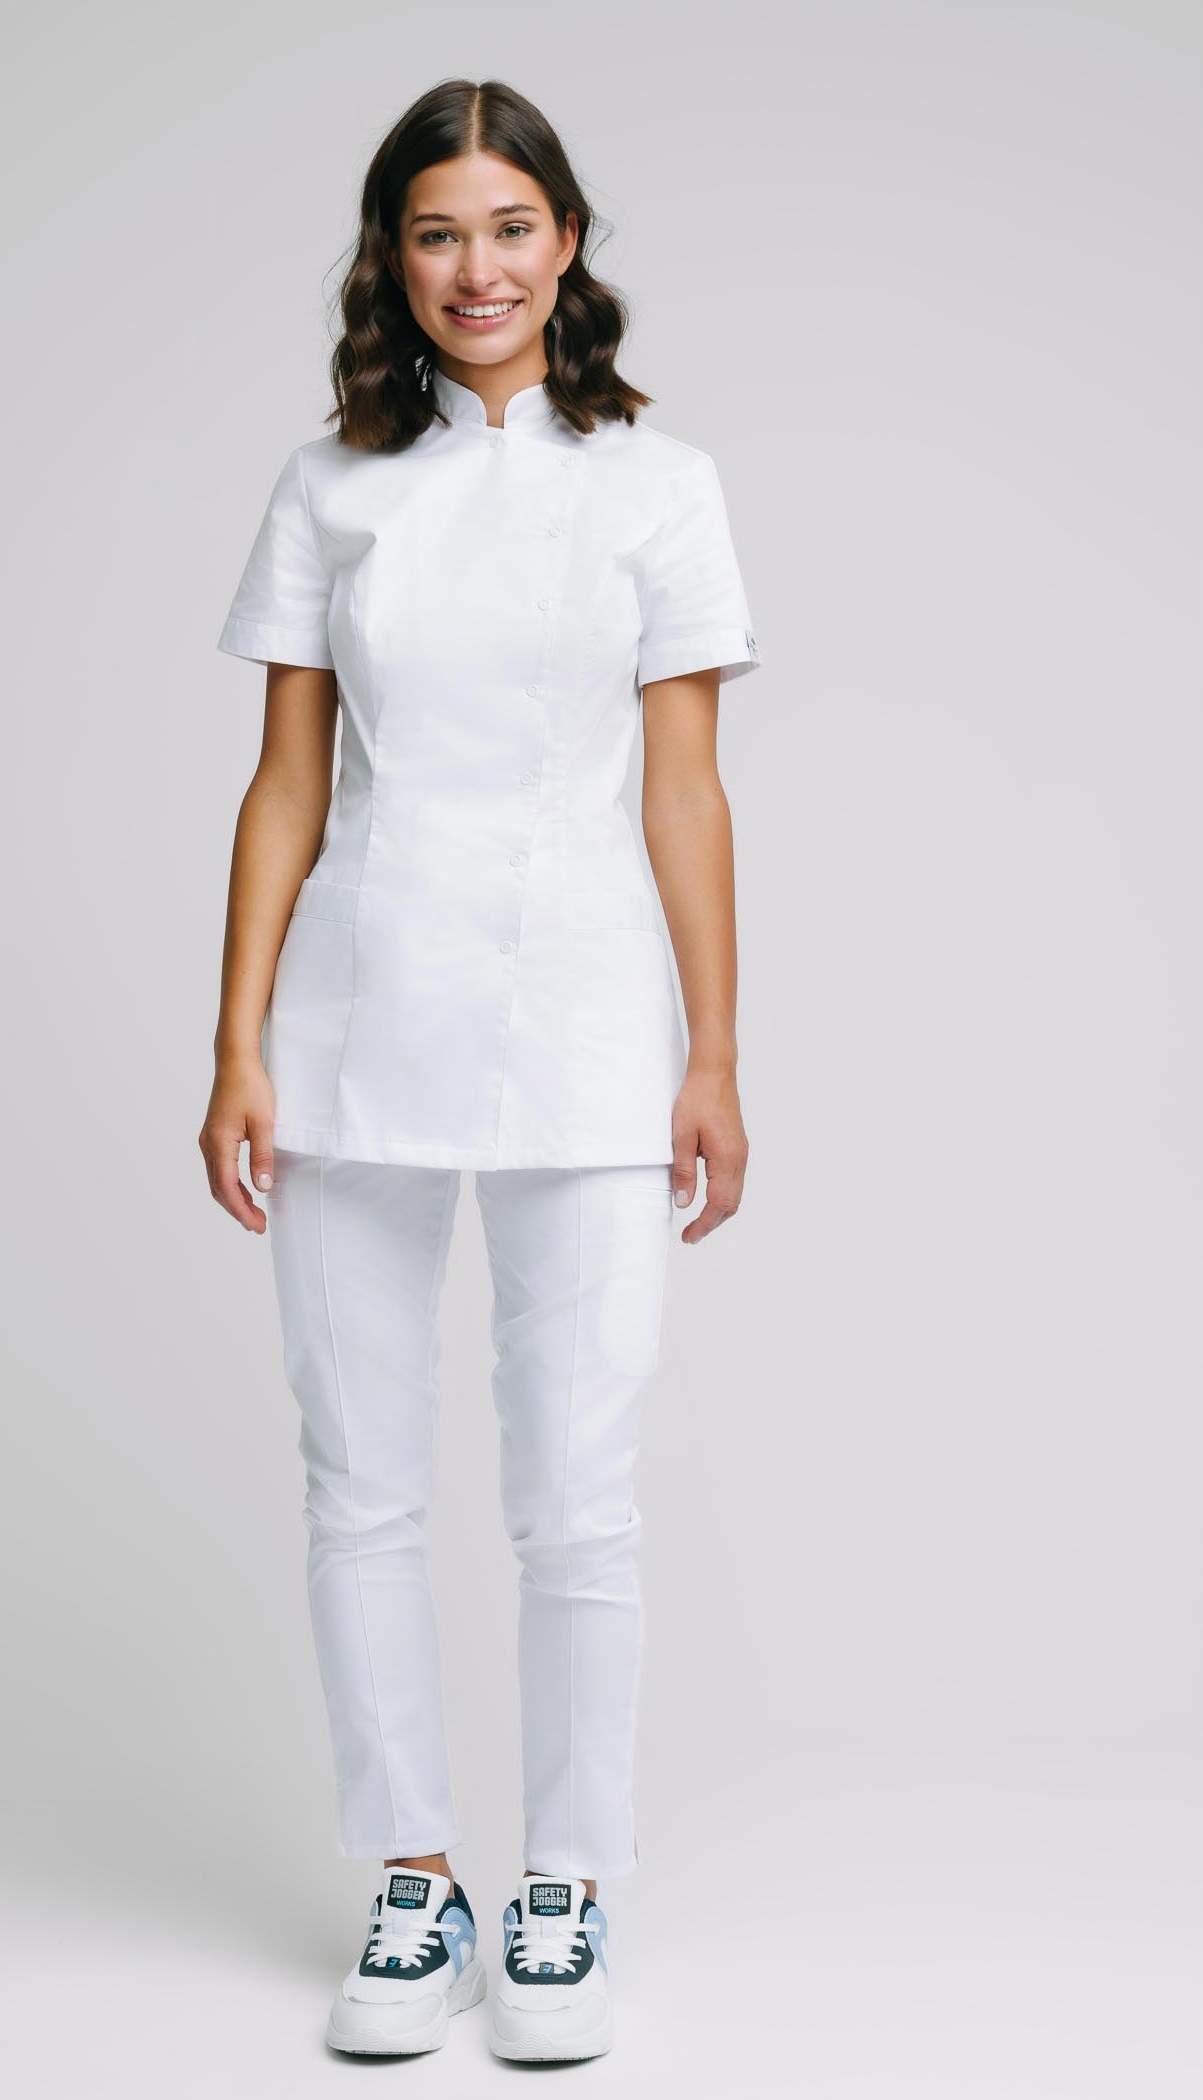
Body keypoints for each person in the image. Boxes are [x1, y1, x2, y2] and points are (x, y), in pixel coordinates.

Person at [198, 77, 763, 2064]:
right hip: (356, 1015)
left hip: (592, 1023)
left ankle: (568, 1887)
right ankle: (414, 1876)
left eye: (510, 226)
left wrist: (714, 1053)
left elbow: (684, 792)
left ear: (567, 241)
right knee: (358, 1479)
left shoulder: (660, 486)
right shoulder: (328, 487)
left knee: (576, 1488)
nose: (477, 267)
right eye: (437, 232)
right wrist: (236, 1040)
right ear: (393, 258)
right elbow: (286, 785)